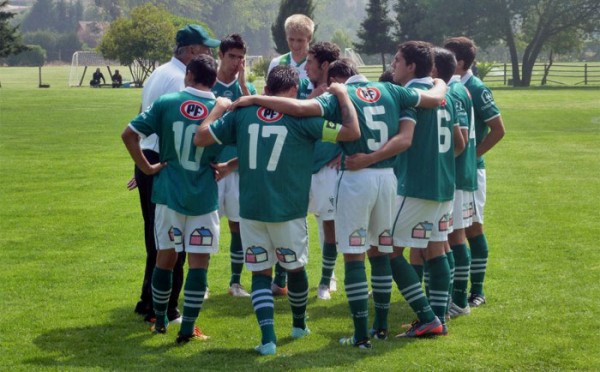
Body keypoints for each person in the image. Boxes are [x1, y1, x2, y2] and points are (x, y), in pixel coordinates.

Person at [230, 57, 447, 349]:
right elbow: (435, 99)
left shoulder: (337, 97)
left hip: (356, 177)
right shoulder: (391, 90)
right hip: (388, 179)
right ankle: (381, 327)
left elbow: (298, 108)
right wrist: (441, 81)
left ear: (335, 80)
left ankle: (360, 336)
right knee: (382, 251)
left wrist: (255, 97)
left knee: (354, 255)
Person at [195, 65, 360, 355]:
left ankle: (268, 339)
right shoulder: (302, 119)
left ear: (267, 88)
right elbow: (350, 131)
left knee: (260, 274)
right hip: (288, 209)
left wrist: (218, 109)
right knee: (295, 268)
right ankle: (298, 326)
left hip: (252, 208)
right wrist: (343, 97)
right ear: (294, 92)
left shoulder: (242, 114)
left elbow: (202, 137)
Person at [344, 41, 463, 339]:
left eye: (397, 61)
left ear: (411, 66)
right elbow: (459, 145)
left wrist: (368, 159)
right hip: (444, 186)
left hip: (416, 186)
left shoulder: (412, 98)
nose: (393, 66)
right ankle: (438, 318)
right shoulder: (444, 95)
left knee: (390, 249)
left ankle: (427, 317)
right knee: (435, 248)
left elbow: (403, 140)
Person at [122, 55, 225, 344]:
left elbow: (129, 135)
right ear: (214, 80)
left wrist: (146, 168)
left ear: (188, 75)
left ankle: (159, 321)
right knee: (198, 263)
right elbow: (235, 145)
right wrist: (224, 165)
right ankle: (187, 327)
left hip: (168, 193)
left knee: (165, 257)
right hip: (203, 197)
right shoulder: (220, 109)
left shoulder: (166, 103)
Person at [444, 37, 505, 308]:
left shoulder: (476, 88)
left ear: (460, 62)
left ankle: (476, 291)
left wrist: (473, 155)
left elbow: (498, 129)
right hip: (453, 170)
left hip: (470, 171)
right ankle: (452, 289)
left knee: (472, 229)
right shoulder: (449, 86)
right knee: (450, 231)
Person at [432, 47, 478, 318]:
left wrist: (443, 164)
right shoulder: (458, 89)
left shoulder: (452, 93)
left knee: (454, 237)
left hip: (456, 177)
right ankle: (451, 297)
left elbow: (458, 141)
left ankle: (459, 300)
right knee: (449, 238)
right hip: (461, 175)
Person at [211, 33, 257, 298]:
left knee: (238, 226)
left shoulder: (246, 86)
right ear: (221, 55)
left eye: (241, 57)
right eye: (232, 56)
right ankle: (202, 282)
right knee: (206, 224)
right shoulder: (208, 85)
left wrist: (243, 85)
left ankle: (235, 282)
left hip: (238, 168)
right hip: (213, 168)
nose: (237, 62)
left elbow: (257, 119)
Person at [303, 41, 342, 300]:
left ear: (325, 65)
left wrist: (344, 152)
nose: (305, 67)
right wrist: (310, 99)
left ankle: (325, 283)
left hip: (328, 169)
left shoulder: (341, 96)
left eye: (309, 62)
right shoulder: (303, 89)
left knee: (330, 225)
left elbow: (356, 125)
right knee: (291, 221)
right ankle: (283, 280)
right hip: (301, 168)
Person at [267, 14, 314, 80]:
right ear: (286, 37)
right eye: (291, 39)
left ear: (309, 38)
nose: (295, 45)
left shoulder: (318, 65)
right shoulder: (276, 63)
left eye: (300, 40)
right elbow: (269, 90)